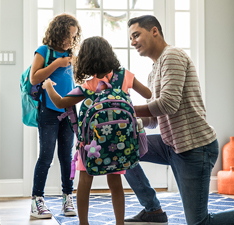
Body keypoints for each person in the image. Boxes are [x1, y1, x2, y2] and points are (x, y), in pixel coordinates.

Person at [123, 15, 234, 225]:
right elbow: (154, 119)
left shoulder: (172, 56)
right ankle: (153, 210)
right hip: (171, 145)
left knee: (199, 223)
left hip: (194, 148)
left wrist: (128, 109)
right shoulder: (154, 71)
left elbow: (168, 104)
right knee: (123, 148)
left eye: (136, 35)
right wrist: (126, 120)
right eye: (130, 38)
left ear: (154, 31)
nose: (133, 42)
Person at [42, 36, 152, 225]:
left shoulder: (88, 86)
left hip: (92, 145)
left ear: (86, 60)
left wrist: (48, 86)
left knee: (85, 182)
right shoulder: (125, 76)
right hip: (120, 143)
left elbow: (60, 102)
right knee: (116, 184)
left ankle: (84, 223)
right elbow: (148, 94)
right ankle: (119, 223)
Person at [29, 13, 81, 219]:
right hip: (49, 111)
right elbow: (34, 77)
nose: (70, 40)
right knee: (46, 156)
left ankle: (68, 198)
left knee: (66, 157)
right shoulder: (44, 51)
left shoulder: (70, 53)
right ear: (57, 31)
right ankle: (37, 201)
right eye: (68, 35)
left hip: (68, 111)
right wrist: (56, 65)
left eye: (73, 36)